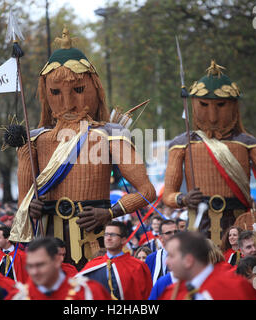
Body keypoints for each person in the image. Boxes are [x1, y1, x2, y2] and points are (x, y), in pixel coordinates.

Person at [10, 27, 156, 270]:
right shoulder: (32, 141)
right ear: (46, 95)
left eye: (78, 90)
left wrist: (109, 213)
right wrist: (29, 208)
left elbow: (147, 192)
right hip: (47, 247)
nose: (67, 103)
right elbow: (22, 207)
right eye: (55, 92)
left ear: (94, 89)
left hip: (95, 243)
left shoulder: (111, 134)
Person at [163, 60, 256, 245]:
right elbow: (168, 195)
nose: (212, 116)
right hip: (198, 226)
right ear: (194, 104)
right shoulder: (181, 144)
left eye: (221, 105)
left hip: (239, 227)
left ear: (233, 106)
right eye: (204, 105)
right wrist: (183, 199)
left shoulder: (249, 144)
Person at [159, 231, 256, 300]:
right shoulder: (171, 293)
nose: (166, 262)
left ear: (188, 260)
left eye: (171, 256)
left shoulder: (236, 287)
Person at [78, 221, 152, 300]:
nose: (108, 238)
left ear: (123, 240)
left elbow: (147, 295)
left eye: (113, 235)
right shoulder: (93, 265)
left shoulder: (138, 266)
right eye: (106, 234)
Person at [17, 237, 110, 300]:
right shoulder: (20, 296)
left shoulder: (88, 292)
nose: (34, 272)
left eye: (41, 265)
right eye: (30, 266)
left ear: (56, 261)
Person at [145, 219, 179, 284]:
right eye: (168, 233)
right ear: (161, 238)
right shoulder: (151, 259)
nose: (174, 235)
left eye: (176, 232)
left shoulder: (188, 256)